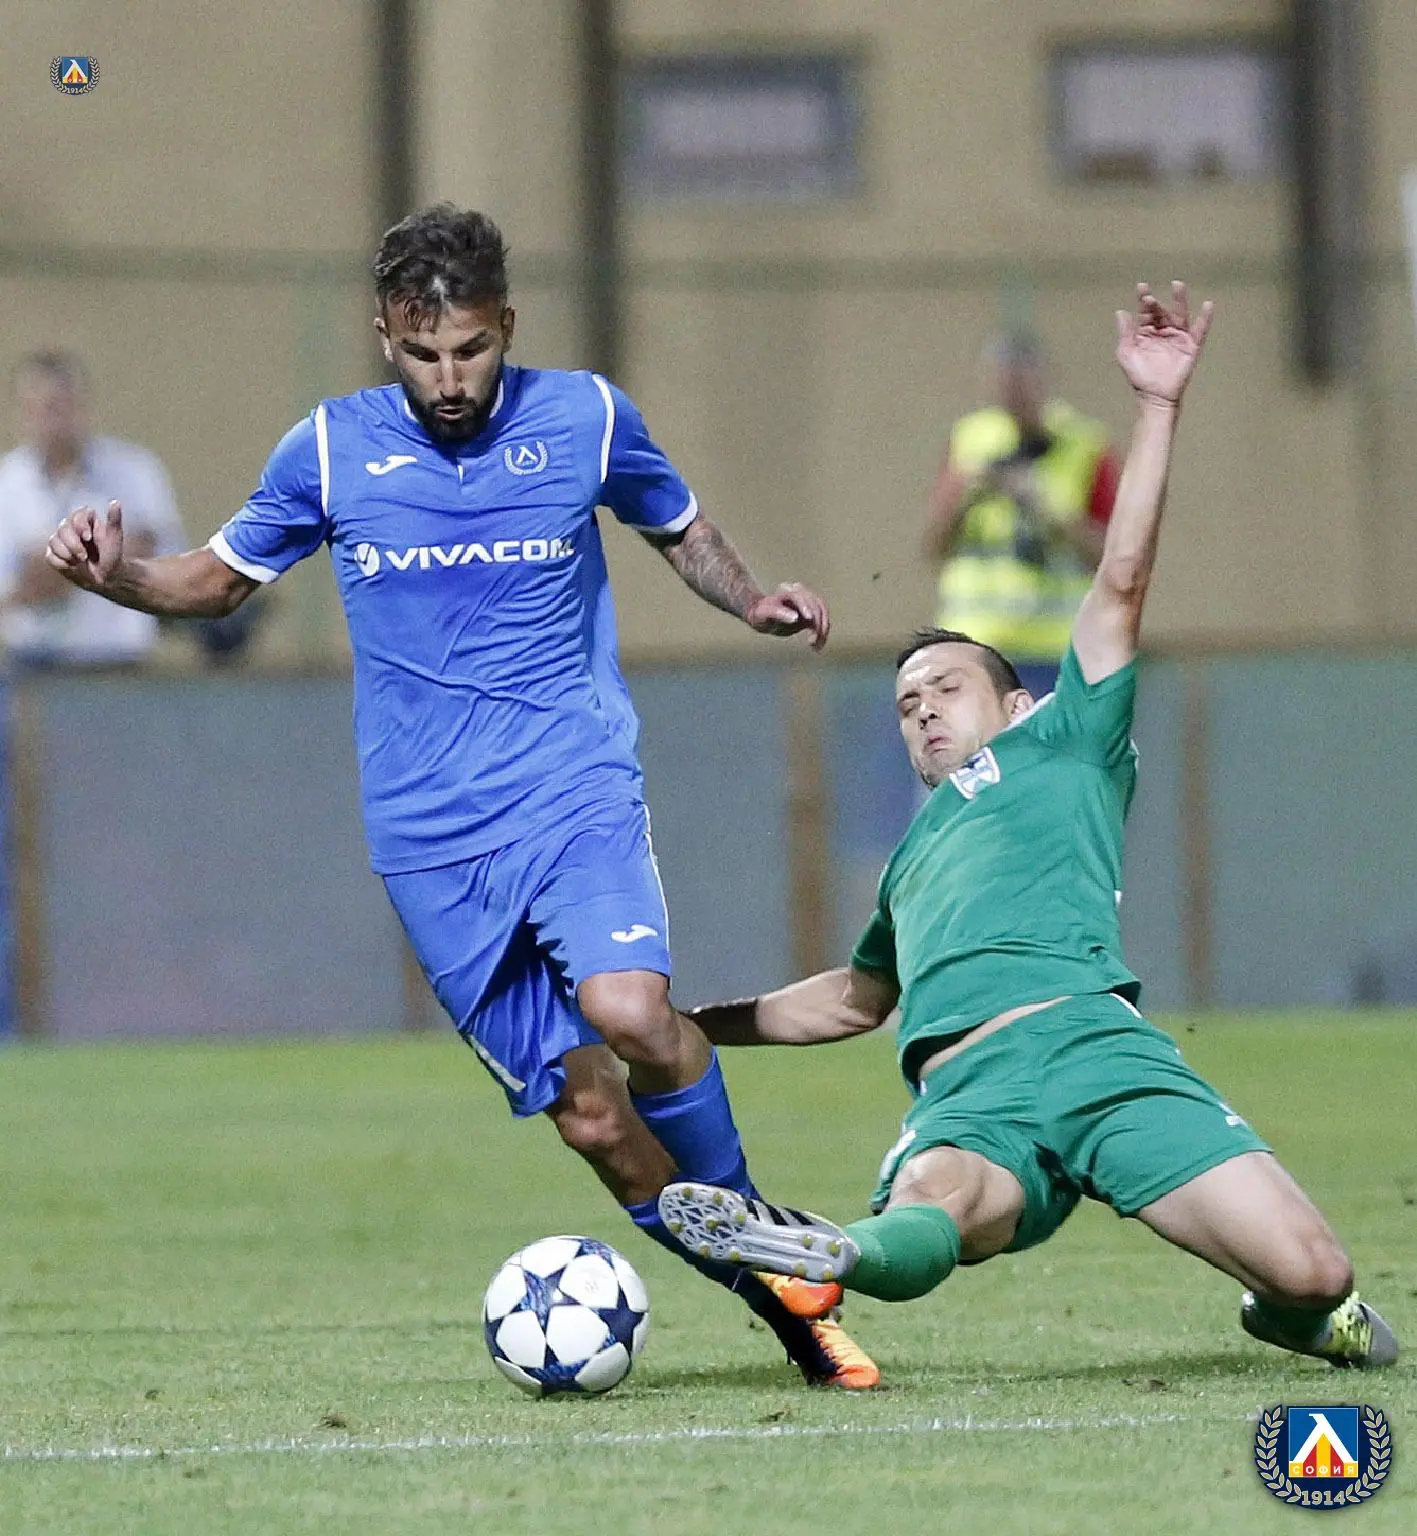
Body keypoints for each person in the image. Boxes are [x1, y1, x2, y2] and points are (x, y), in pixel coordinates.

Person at [42, 205, 877, 1389]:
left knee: (632, 1011)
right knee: (595, 1123)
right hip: (432, 841)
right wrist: (114, 573)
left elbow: (676, 524)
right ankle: (785, 1300)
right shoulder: (329, 449)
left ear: (509, 329)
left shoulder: (585, 417)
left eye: (472, 349)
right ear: (384, 335)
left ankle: (757, 1233)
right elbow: (212, 584)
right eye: (425, 352)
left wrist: (750, 600)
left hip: (571, 784)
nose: (449, 378)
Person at [659, 283, 1398, 1372]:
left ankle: (1287, 1312)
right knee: (936, 1203)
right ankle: (830, 1251)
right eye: (905, 704)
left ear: (1015, 704)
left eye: (945, 688)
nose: (921, 710)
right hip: (972, 1093)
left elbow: (1122, 576)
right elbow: (855, 998)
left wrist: (1157, 406)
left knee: (1314, 1273)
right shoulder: (912, 859)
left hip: (1099, 1051)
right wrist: (687, 1025)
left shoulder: (1065, 738)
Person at [924, 331, 1118, 700]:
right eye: (1001, 383)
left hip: (1054, 651)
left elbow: (1112, 556)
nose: (1012, 395)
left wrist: (1049, 511)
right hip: (975, 648)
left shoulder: (1085, 445)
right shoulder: (970, 441)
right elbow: (933, 545)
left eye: (1020, 383)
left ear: (1044, 381)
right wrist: (967, 497)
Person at [0, 351, 186, 668]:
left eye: (61, 406)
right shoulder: (8, 482)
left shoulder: (134, 471)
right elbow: (11, 584)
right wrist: (94, 558)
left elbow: (163, 560)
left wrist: (59, 564)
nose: (52, 420)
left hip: (117, 659)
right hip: (32, 661)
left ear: (82, 406)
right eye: (39, 408)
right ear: (23, 413)